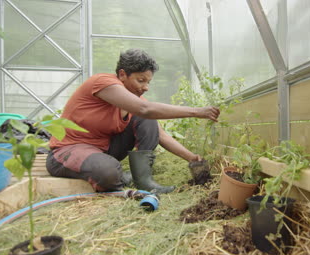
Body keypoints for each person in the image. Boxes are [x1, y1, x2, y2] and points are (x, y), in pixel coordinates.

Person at [46, 48, 219, 194]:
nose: (146, 87)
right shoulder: (102, 82)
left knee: (148, 119)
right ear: (122, 74)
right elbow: (146, 109)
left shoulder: (135, 102)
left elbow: (161, 135)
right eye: (141, 80)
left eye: (148, 82)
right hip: (68, 150)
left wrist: (192, 158)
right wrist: (197, 111)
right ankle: (122, 176)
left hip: (101, 150)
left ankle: (144, 182)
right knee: (108, 173)